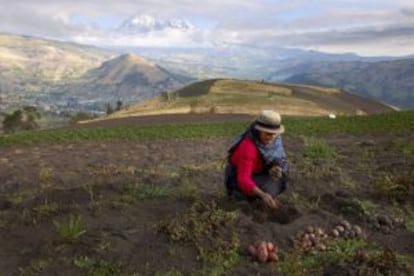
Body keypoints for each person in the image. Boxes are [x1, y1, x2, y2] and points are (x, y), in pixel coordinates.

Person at [224, 110, 288, 209]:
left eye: (274, 134)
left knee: (281, 179)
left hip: (259, 172)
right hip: (238, 178)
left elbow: (277, 157)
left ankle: (258, 197)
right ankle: (239, 196)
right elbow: (243, 179)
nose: (271, 137)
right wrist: (263, 195)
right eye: (268, 134)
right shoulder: (248, 147)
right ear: (259, 130)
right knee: (266, 191)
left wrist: (276, 167)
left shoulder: (276, 139)